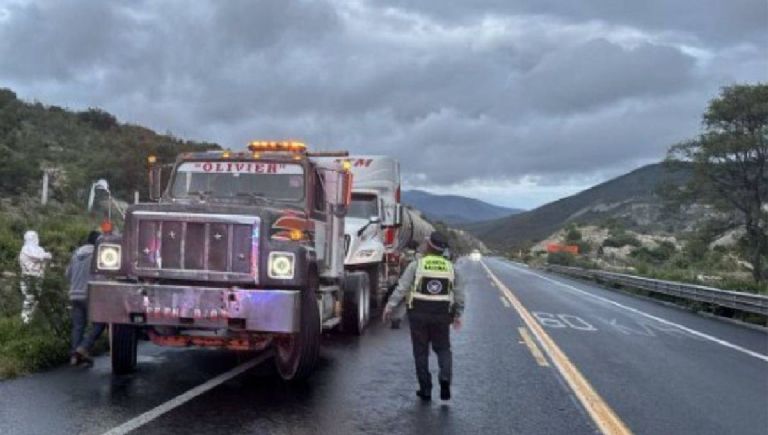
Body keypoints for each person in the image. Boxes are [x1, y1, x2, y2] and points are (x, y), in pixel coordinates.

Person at [383, 232, 465, 401]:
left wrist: (390, 306)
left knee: (420, 352)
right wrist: (458, 314)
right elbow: (459, 295)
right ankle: (445, 379)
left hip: (418, 314)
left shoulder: (417, 265)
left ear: (429, 246)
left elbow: (402, 288)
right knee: (443, 349)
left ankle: (425, 389)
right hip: (442, 315)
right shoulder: (451, 268)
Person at [67, 231, 105, 367]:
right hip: (90, 295)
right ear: (98, 241)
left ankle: (75, 356)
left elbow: (68, 274)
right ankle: (83, 347)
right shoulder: (98, 254)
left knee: (78, 326)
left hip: (74, 294)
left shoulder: (76, 253)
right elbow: (102, 276)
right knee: (101, 323)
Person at [19, 230, 53, 323]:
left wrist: (45, 256)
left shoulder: (39, 249)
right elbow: (38, 257)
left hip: (38, 277)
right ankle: (25, 321)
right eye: (32, 237)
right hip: (28, 277)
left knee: (36, 299)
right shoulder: (25, 249)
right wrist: (44, 256)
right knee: (29, 298)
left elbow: (47, 257)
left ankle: (31, 321)